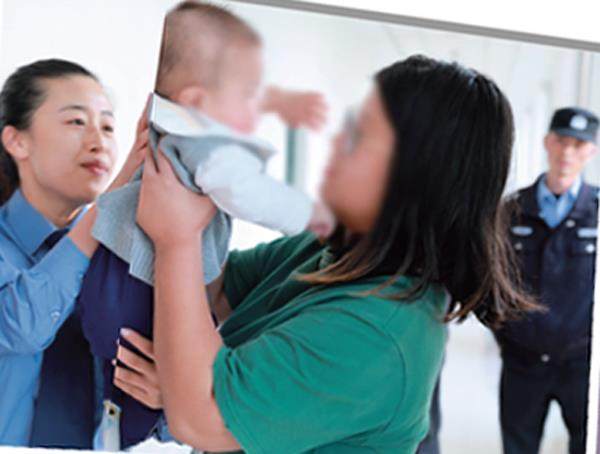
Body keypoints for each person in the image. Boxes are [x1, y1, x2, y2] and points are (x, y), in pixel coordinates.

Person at [131, 54, 539, 453]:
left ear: (411, 174)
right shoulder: (338, 246)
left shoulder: (380, 334)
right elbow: (215, 292)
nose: (337, 141)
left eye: (361, 135)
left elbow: (202, 417)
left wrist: (178, 240)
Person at [78, 2, 333, 449]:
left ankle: (114, 428)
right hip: (142, 289)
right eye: (248, 95)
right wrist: (316, 216)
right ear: (197, 101)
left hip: (110, 276)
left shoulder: (166, 126)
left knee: (120, 383)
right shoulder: (207, 144)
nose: (257, 109)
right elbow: (250, 192)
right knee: (156, 381)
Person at [0, 58, 161, 448]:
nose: (98, 142)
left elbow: (169, 424)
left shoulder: (132, 256)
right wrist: (114, 199)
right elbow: (22, 326)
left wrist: (165, 397)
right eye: (76, 122)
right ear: (17, 141)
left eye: (108, 127)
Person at [492, 107, 599, 454]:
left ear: (591, 151)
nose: (567, 152)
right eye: (561, 141)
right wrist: (507, 333)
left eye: (578, 145)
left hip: (583, 365)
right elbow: (493, 280)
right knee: (518, 447)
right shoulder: (511, 209)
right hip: (523, 361)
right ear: (547, 142)